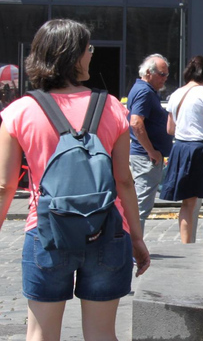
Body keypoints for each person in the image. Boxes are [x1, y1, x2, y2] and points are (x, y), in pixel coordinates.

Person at [0, 19, 150, 341]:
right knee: (101, 334)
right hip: (107, 232)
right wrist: (136, 237)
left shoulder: (21, 111)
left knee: (41, 333)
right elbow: (124, 181)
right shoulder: (111, 107)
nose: (91, 55)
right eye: (88, 49)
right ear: (75, 56)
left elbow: (4, 187)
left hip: (46, 233)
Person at [161, 56, 203, 243]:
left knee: (188, 202)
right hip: (202, 148)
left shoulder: (175, 94)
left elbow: (170, 129)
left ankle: (186, 245)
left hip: (181, 148)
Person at [127, 54, 173, 233]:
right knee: (141, 205)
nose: (165, 79)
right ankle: (134, 248)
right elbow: (136, 122)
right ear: (148, 73)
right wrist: (151, 151)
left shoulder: (145, 90)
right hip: (145, 157)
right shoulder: (144, 91)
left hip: (145, 155)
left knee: (139, 204)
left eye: (166, 75)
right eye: (162, 74)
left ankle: (132, 246)